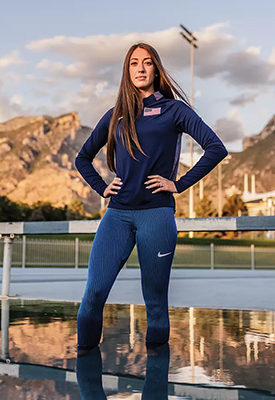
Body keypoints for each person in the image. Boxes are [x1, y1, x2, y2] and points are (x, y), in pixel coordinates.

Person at [74, 42, 228, 355]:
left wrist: (179, 183)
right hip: (116, 216)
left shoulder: (174, 110)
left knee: (155, 303)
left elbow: (215, 147)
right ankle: (85, 369)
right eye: (133, 63)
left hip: (156, 216)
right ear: (127, 71)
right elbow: (83, 158)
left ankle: (156, 378)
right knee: (93, 294)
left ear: (156, 69)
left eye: (147, 63)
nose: (140, 69)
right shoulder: (116, 115)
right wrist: (102, 187)